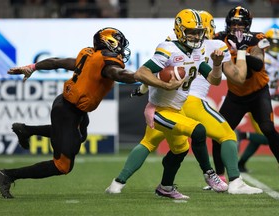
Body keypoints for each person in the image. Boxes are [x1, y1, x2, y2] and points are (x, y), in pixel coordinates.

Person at [0, 27, 182, 199]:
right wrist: (140, 76)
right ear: (110, 42)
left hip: (70, 106)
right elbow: (117, 74)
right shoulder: (106, 62)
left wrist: (33, 67)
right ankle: (8, 175)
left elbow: (58, 62)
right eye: (120, 44)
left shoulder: (89, 54)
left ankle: (26, 130)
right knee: (63, 166)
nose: (122, 49)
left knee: (79, 136)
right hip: (67, 111)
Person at [106, 9, 262, 196]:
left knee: (173, 147)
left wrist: (217, 63)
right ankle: (217, 175)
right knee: (216, 133)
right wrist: (163, 84)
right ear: (181, 31)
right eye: (192, 32)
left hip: (176, 108)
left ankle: (138, 185)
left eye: (199, 31)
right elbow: (143, 73)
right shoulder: (170, 48)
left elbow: (214, 80)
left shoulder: (197, 51)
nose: (197, 36)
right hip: (168, 108)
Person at [212, 6, 279, 179]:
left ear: (247, 25)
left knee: (268, 129)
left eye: (240, 24)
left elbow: (258, 64)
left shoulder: (257, 38)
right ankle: (219, 177)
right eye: (234, 24)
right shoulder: (219, 39)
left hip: (258, 93)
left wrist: (242, 51)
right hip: (236, 96)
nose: (236, 27)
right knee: (218, 133)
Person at [236, 27, 279, 173]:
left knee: (266, 133)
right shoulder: (262, 57)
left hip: (267, 97)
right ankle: (242, 135)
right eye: (272, 44)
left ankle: (241, 163)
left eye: (277, 45)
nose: (275, 48)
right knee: (268, 135)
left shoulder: (275, 59)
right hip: (257, 97)